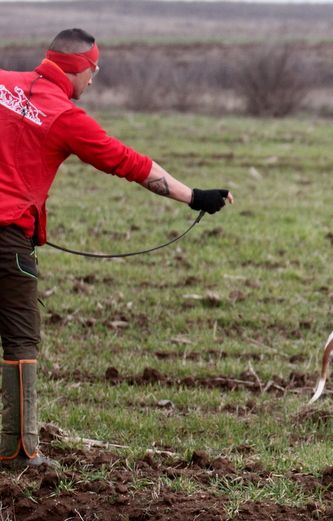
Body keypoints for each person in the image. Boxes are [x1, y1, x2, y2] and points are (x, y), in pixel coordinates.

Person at [0, 28, 234, 467]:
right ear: (81, 68)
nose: (93, 80)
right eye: (95, 71)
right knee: (19, 340)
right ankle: (19, 451)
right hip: (6, 238)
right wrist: (196, 196)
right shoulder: (65, 116)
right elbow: (130, 163)